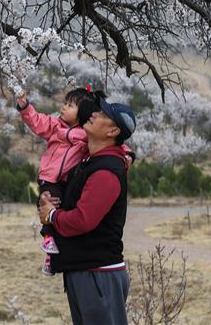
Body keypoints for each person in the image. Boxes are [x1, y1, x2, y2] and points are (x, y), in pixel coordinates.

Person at [37, 97, 137, 325]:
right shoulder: (91, 161)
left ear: (113, 130)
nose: (94, 114)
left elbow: (83, 220)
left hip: (98, 274)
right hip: (86, 271)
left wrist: (51, 215)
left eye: (103, 114)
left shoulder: (106, 171)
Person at [16, 86, 95, 274]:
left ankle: (56, 257)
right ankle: (48, 249)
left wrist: (127, 154)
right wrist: (25, 106)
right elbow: (37, 121)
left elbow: (109, 141)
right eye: (65, 103)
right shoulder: (55, 126)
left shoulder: (86, 134)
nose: (64, 107)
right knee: (48, 208)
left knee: (63, 215)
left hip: (67, 182)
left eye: (70, 105)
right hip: (49, 179)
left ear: (83, 112)